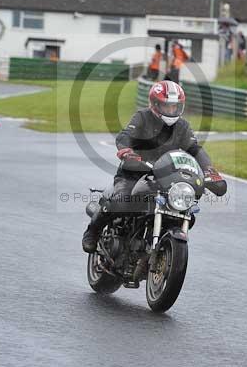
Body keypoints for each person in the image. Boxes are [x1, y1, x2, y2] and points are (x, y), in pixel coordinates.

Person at [81, 80, 226, 253]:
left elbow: (195, 149)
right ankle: (92, 232)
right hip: (134, 172)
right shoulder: (142, 117)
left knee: (184, 209)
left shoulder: (182, 126)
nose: (172, 111)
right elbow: (126, 135)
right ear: (155, 105)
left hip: (165, 176)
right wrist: (127, 151)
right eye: (167, 106)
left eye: (175, 107)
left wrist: (209, 170)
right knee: (122, 202)